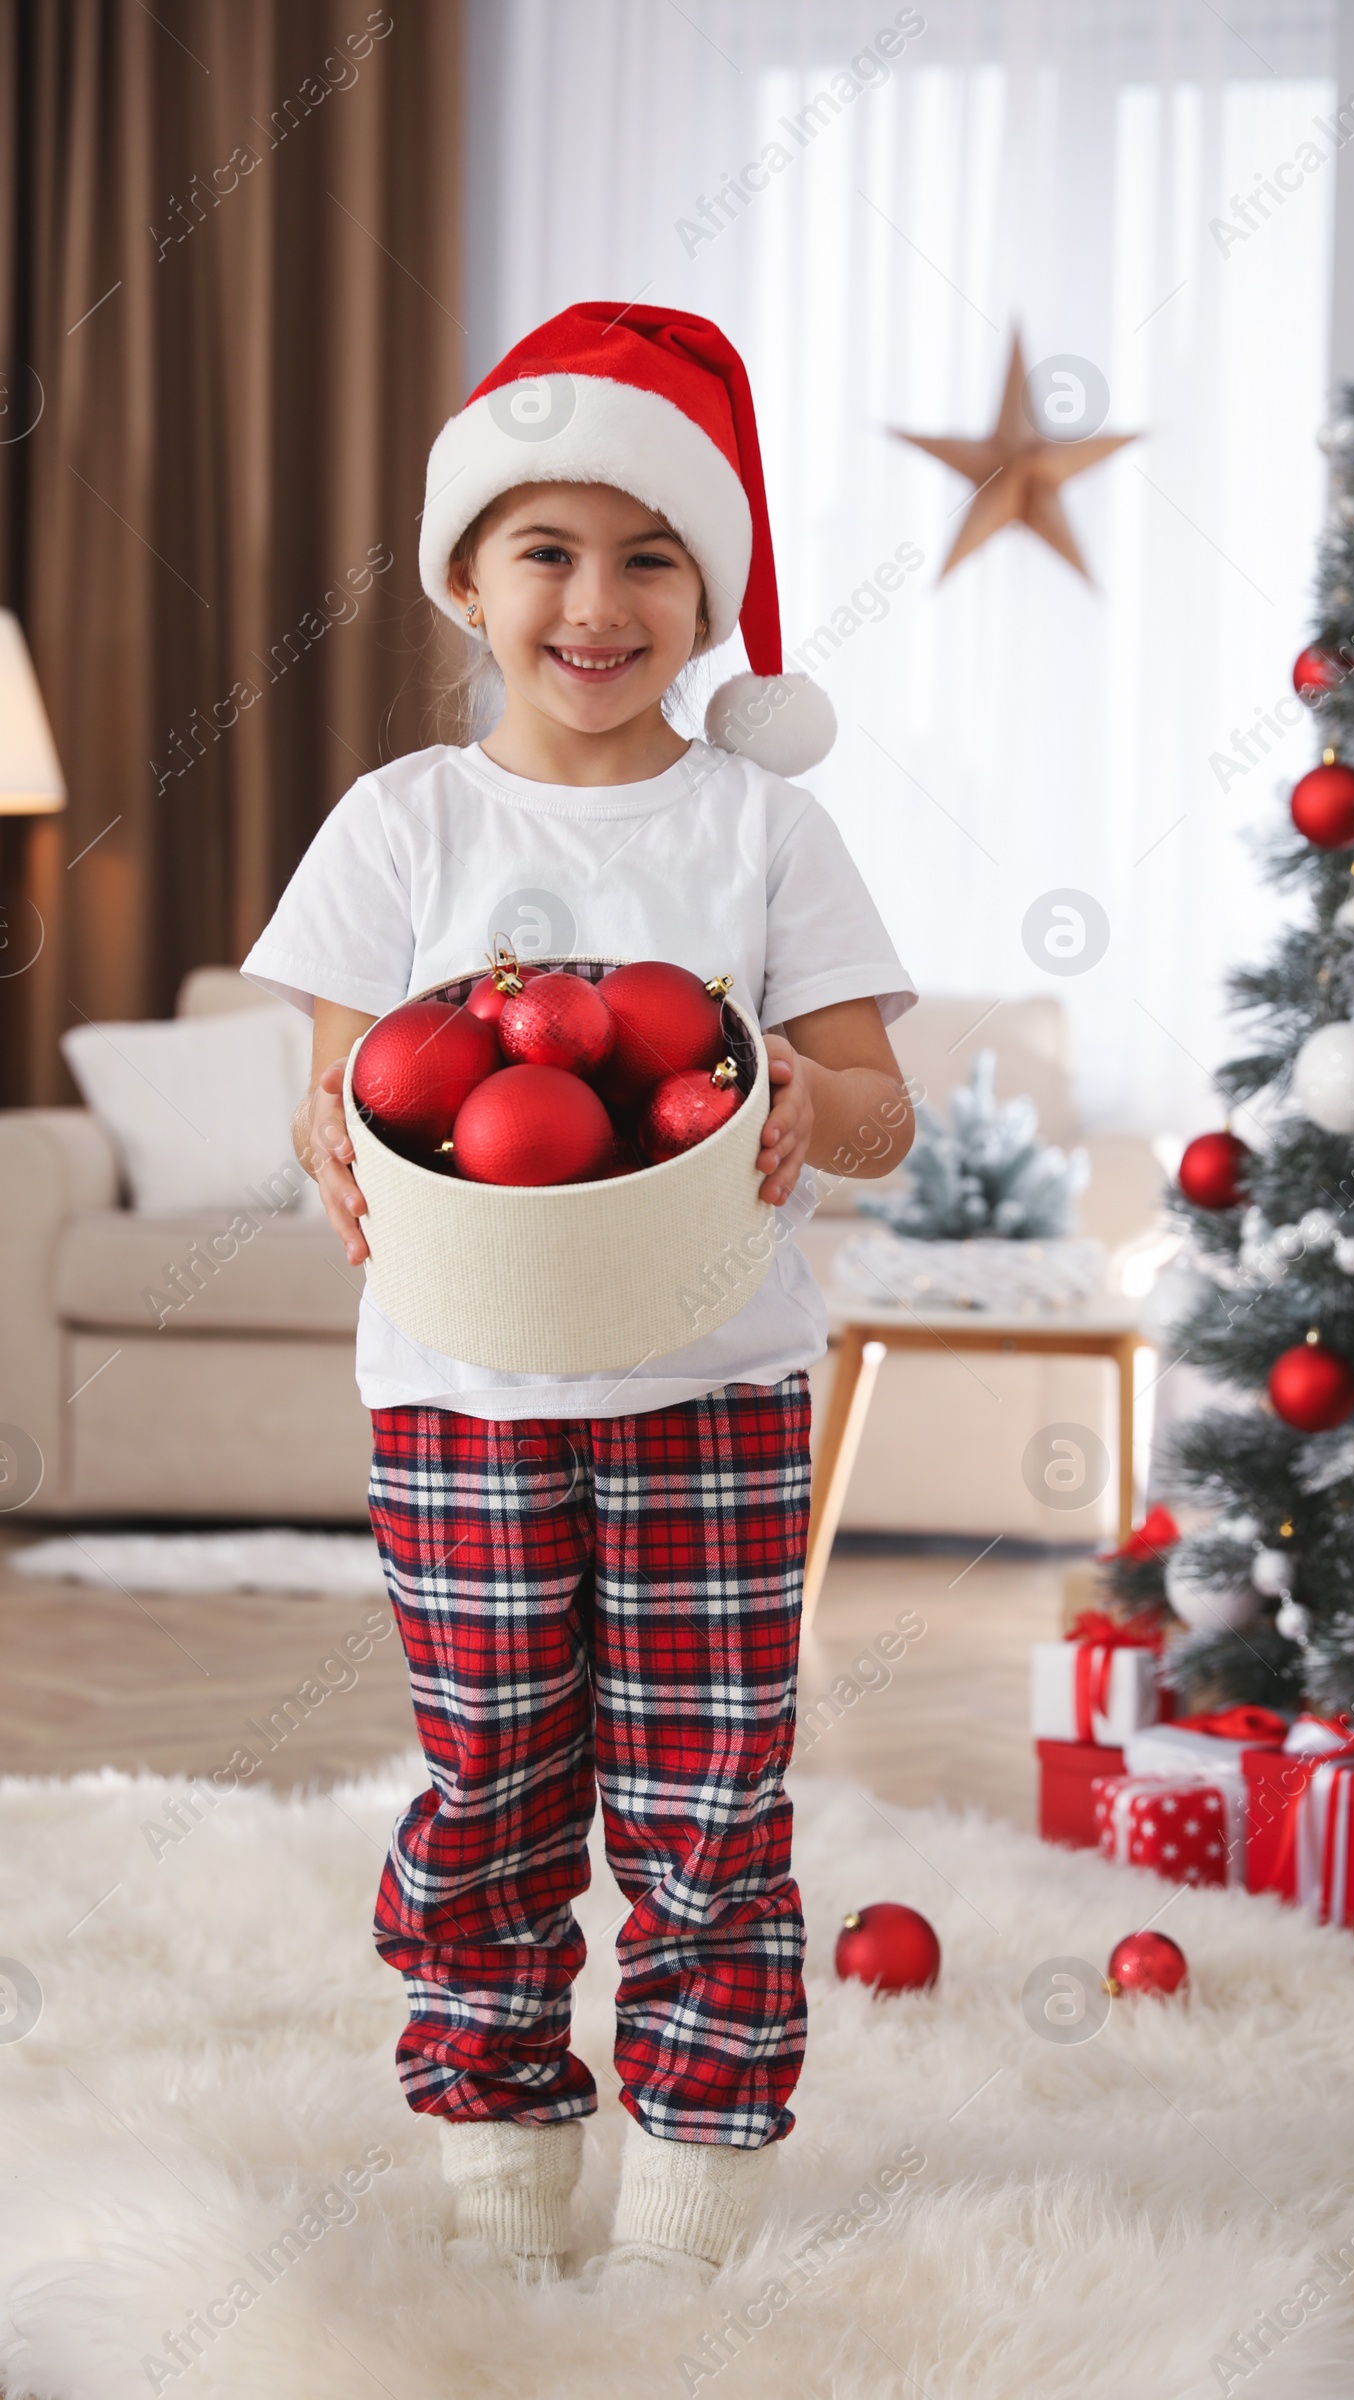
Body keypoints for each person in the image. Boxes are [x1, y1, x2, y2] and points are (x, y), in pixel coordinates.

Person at [241, 304, 917, 2301]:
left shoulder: (761, 825)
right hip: (461, 1388)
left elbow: (881, 1110)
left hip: (714, 1382)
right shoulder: (404, 824)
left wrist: (807, 1102)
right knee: (493, 1776)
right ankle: (503, 2157)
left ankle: (697, 2195)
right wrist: (333, 1142)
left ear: (707, 593)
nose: (595, 603)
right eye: (547, 549)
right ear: (466, 574)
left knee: (713, 1792)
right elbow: (339, 1096)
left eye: (648, 557)